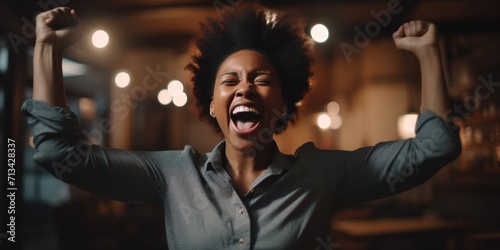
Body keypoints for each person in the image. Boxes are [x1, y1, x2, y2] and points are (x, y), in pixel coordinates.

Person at [23, 2, 461, 249]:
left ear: (284, 104)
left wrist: (428, 54)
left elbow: (435, 147)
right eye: (229, 81)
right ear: (212, 106)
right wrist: (47, 49)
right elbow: (59, 154)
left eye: (262, 80)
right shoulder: (173, 176)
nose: (245, 88)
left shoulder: (324, 176)